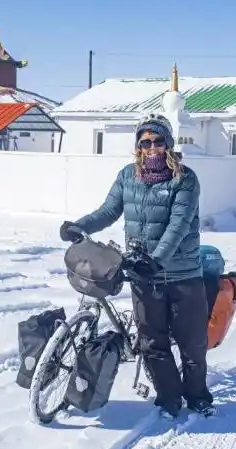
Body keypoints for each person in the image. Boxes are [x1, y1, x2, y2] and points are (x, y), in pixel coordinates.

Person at [59, 113, 215, 419]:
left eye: (158, 141)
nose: (152, 147)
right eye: (146, 142)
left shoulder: (185, 178)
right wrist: (80, 226)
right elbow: (109, 210)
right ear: (138, 146)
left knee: (192, 344)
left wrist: (157, 259)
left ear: (168, 143)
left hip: (182, 274)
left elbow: (178, 225)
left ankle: (197, 396)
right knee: (152, 342)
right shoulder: (127, 176)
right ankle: (169, 399)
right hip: (143, 272)